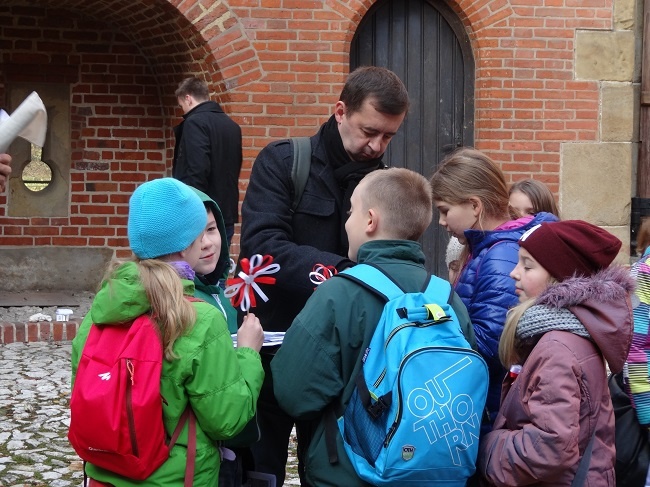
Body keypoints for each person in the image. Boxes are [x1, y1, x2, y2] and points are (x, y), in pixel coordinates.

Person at [238, 65, 410, 485]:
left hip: (344, 359)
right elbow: (262, 248)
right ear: (340, 111)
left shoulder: (382, 183)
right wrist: (343, 275)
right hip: (273, 350)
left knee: (335, 473)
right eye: (369, 130)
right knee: (260, 472)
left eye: (388, 136)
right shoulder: (284, 160)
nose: (376, 145)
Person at [271, 168, 474, 486]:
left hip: (349, 473)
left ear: (370, 220)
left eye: (351, 211)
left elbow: (295, 393)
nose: (346, 220)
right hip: (433, 473)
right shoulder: (448, 300)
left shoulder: (338, 294)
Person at [70, 178, 264, 486]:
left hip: (104, 475)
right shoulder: (199, 318)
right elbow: (227, 421)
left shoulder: (99, 313)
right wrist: (249, 354)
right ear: (190, 242)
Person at [479, 220, 633, 486]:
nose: (514, 273)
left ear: (558, 279)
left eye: (528, 266)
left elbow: (547, 449)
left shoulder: (557, 349)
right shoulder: (565, 336)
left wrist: (486, 446)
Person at [429, 147, 558, 433]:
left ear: (475, 206)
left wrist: (431, 328)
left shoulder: (500, 256)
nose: (441, 221)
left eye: (444, 210)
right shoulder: (488, 250)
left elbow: (490, 344)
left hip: (488, 412)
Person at [173, 77, 242, 245]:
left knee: (198, 267)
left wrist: (191, 209)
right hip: (226, 210)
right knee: (220, 266)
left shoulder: (194, 123)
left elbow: (197, 169)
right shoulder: (231, 126)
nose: (182, 108)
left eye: (181, 104)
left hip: (202, 212)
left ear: (188, 98)